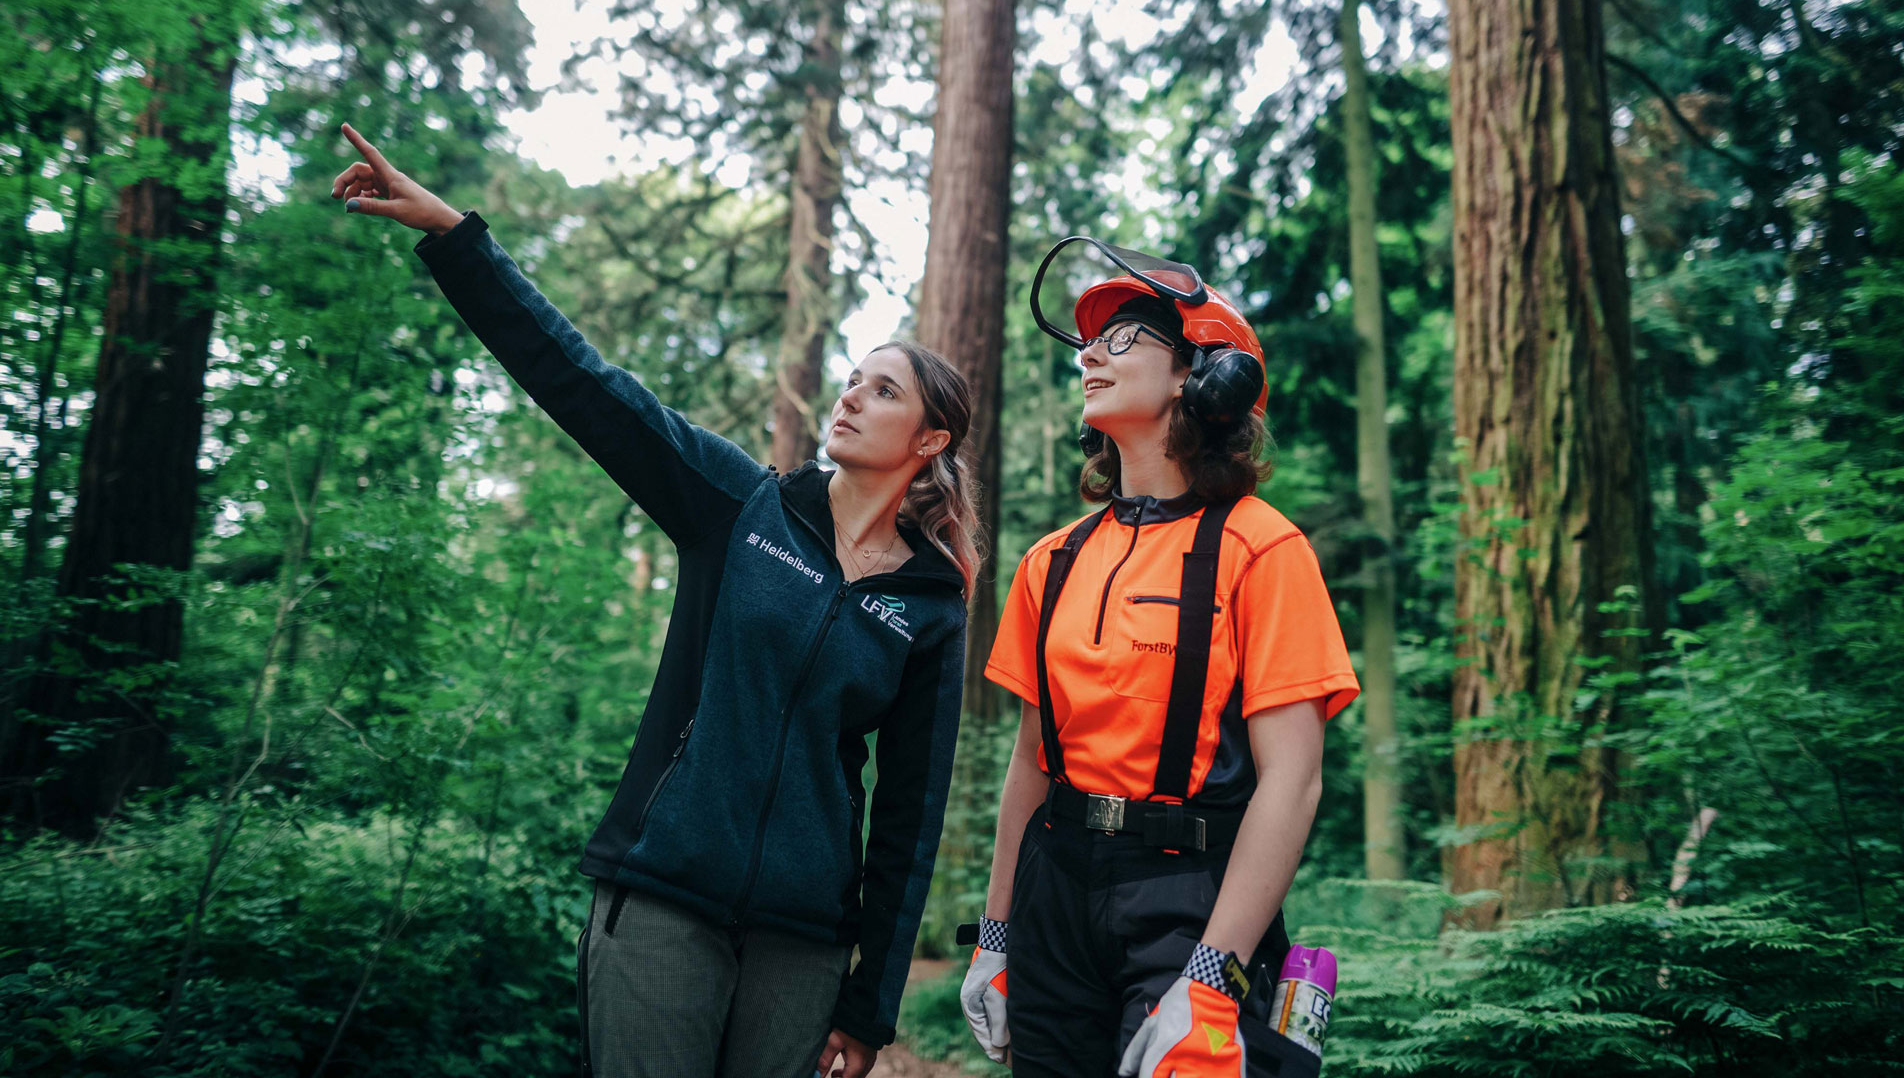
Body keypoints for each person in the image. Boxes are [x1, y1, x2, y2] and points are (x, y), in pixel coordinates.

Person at [331, 123, 978, 1078]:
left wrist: (870, 1002)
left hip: (799, 946)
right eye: (849, 380)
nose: (848, 398)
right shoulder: (739, 506)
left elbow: (910, 816)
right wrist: (451, 234)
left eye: (881, 391)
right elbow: (587, 387)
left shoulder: (931, 606)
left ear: (929, 440)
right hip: (662, 902)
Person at [959, 239, 1359, 1078]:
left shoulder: (1264, 549)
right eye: (1089, 343)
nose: (1091, 356)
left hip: (1194, 894)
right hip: (1055, 885)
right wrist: (995, 940)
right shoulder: (1050, 561)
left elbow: (1296, 780)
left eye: (1123, 338)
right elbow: (1029, 767)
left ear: (1198, 374)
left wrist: (1213, 979)